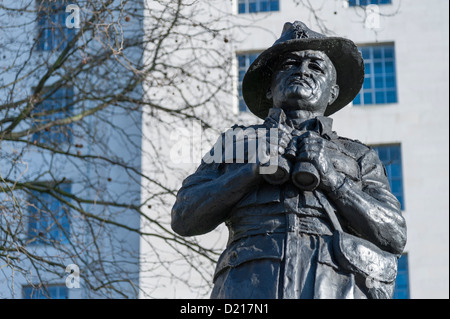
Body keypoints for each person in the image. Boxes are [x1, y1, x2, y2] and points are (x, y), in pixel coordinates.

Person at [171, 21, 407, 299]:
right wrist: (250, 172)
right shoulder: (234, 143)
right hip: (249, 283)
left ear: (332, 93)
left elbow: (394, 234)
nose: (302, 71)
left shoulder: (360, 156)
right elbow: (184, 217)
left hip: (334, 284)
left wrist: (332, 179)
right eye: (290, 64)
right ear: (270, 89)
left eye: (315, 67)